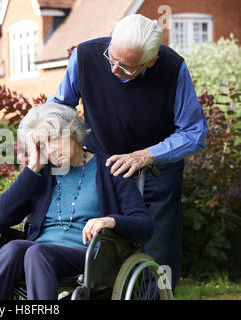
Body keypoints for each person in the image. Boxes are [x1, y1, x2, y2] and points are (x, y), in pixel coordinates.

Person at [47, 14, 208, 292]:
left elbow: (194, 132)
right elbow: (60, 107)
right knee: (99, 248)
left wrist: (147, 154)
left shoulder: (173, 68)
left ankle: (158, 297)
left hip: (157, 170)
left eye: (127, 67)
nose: (113, 70)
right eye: (112, 58)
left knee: (159, 256)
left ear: (151, 62)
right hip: (100, 167)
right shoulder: (85, 56)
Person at [0, 102, 154, 300]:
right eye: (41, 145)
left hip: (91, 256)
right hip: (37, 256)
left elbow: (144, 226)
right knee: (13, 247)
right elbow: (2, 216)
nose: (49, 151)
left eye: (52, 139)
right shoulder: (43, 173)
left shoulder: (109, 169)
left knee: (37, 253)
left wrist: (110, 220)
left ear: (73, 133)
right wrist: (33, 168)